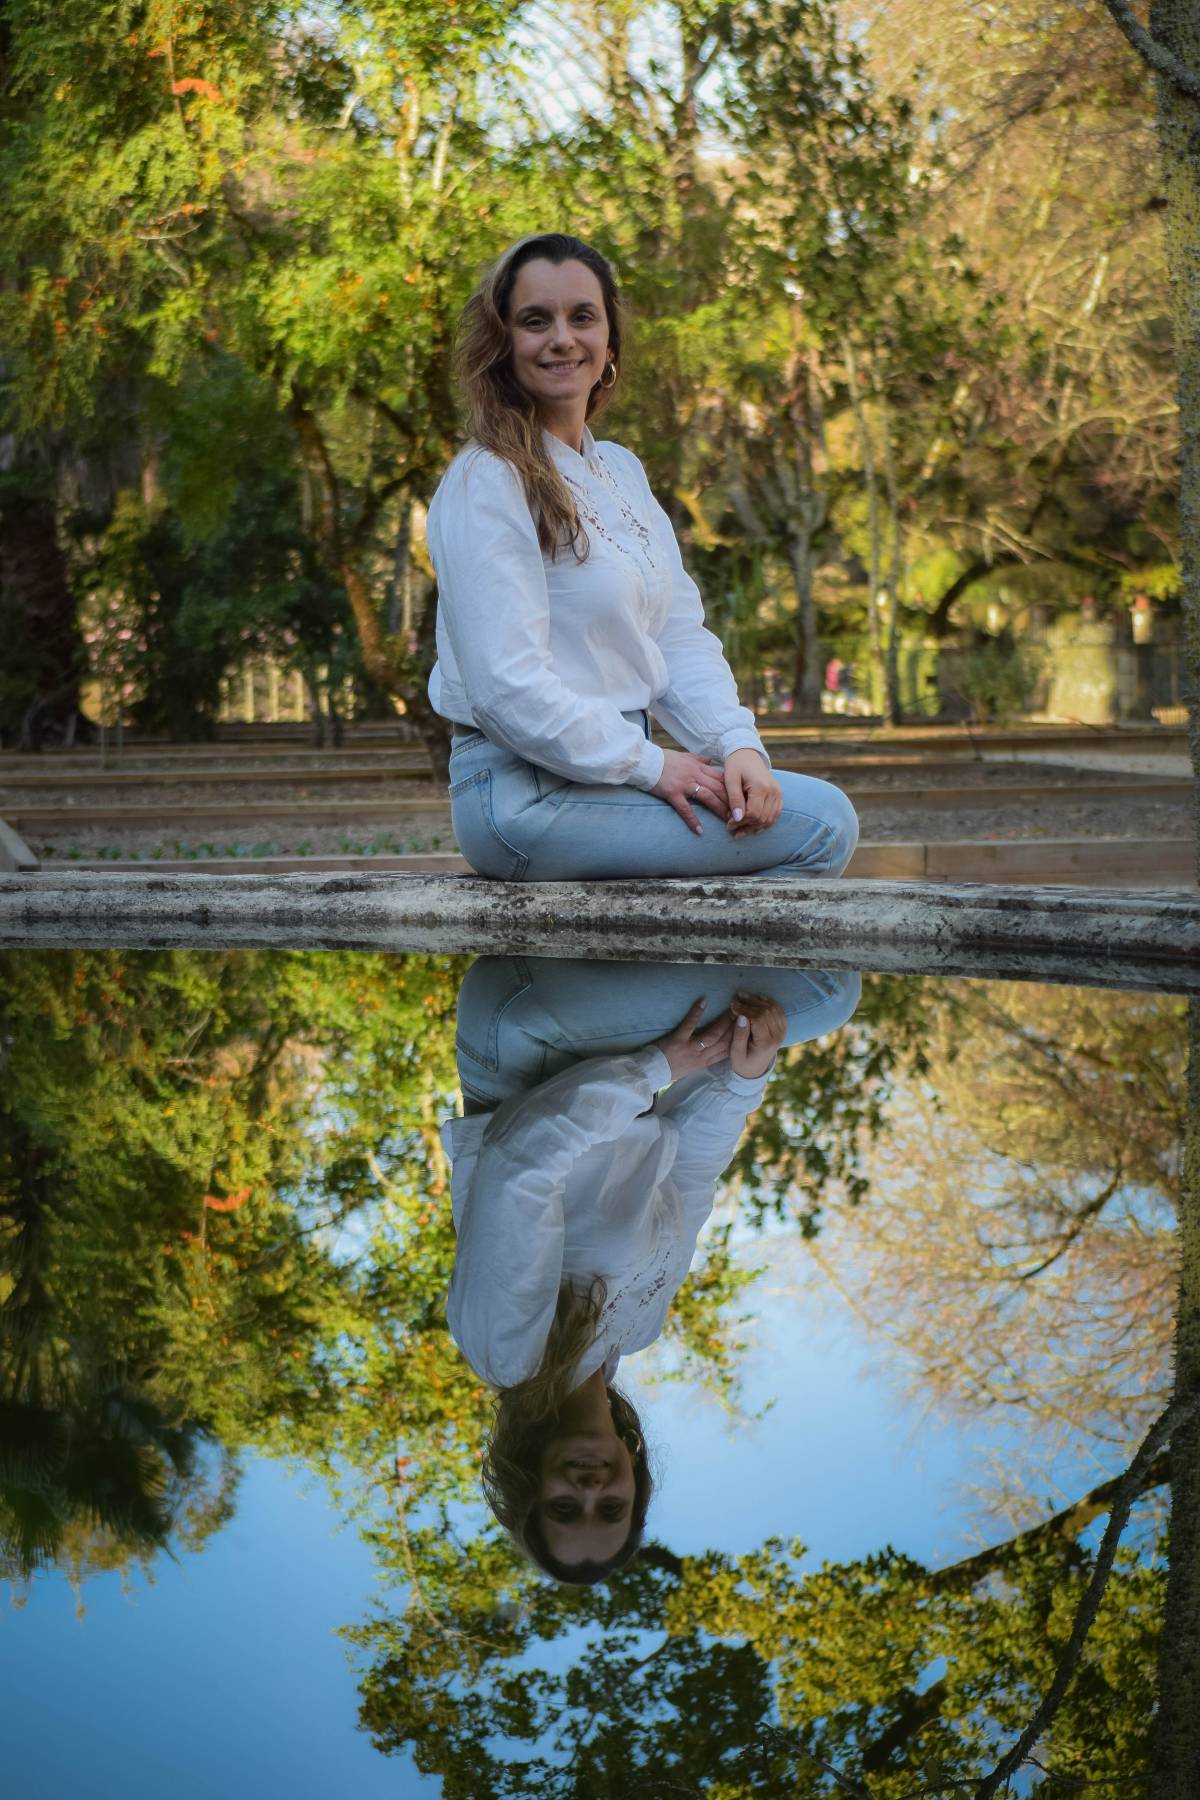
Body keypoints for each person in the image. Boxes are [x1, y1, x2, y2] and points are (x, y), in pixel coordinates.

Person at [424, 231, 859, 881]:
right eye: (535, 321)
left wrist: (737, 745)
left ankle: (677, 986)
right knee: (821, 825)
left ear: (610, 344)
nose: (562, 339)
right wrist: (654, 765)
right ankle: (712, 985)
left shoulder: (619, 471)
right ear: (502, 344)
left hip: (615, 772)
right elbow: (503, 688)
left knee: (781, 809)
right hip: (522, 795)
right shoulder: (488, 479)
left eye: (583, 317)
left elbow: (677, 634)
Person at [442, 957, 862, 1583]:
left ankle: (523, 852)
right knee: (811, 885)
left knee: (826, 989)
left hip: (525, 1042)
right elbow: (687, 1178)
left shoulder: (509, 1355)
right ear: (636, 1481)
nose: (590, 1488)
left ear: (529, 1483)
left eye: (565, 1506)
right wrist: (744, 1079)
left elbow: (518, 1160)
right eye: (610, 1507)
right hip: (603, 1049)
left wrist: (660, 1069)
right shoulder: (634, 1333)